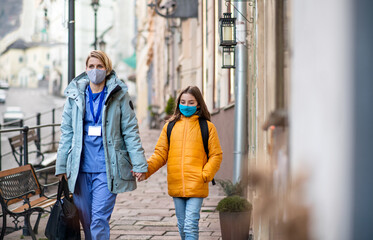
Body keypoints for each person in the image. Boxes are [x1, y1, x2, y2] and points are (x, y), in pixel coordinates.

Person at [55, 50, 147, 240]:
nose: (95, 70)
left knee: (98, 220)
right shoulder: (74, 96)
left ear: (107, 69)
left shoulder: (119, 95)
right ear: (86, 69)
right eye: (91, 66)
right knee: (86, 222)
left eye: (99, 66)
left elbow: (130, 131)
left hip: (107, 169)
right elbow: (67, 133)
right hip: (80, 169)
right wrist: (62, 164)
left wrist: (139, 164)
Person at [138, 86, 223, 240]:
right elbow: (160, 154)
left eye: (191, 102)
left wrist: (205, 175)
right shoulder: (169, 127)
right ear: (178, 104)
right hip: (176, 184)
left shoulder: (207, 127)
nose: (186, 105)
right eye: (183, 102)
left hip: (197, 184)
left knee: (191, 225)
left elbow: (216, 155)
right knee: (182, 226)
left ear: (198, 104)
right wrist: (146, 170)